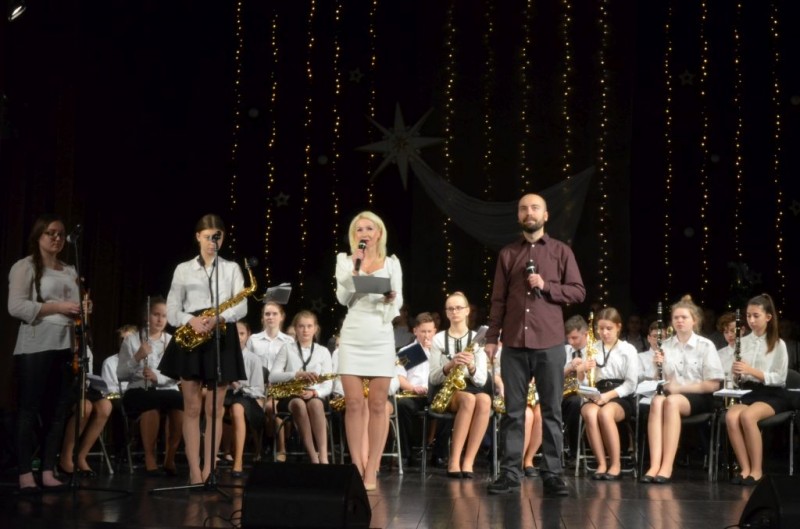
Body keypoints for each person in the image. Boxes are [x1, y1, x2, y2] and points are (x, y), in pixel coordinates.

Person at [485, 193, 586, 496]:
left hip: (549, 344)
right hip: (514, 343)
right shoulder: (508, 253)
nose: (529, 213)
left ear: (546, 215)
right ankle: (510, 474)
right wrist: (491, 338)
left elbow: (578, 291)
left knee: (551, 411)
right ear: (518, 216)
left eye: (535, 208)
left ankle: (553, 474)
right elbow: (498, 300)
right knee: (513, 412)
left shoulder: (560, 251)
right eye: (523, 209)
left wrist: (547, 286)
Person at [158, 214, 248, 486]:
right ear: (198, 236)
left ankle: (210, 468)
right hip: (192, 332)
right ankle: (194, 471)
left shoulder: (231, 268)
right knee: (192, 407)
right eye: (208, 237)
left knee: (215, 409)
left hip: (221, 332)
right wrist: (190, 320)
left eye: (217, 237)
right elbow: (172, 308)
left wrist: (220, 317)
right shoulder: (183, 269)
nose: (212, 242)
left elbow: (242, 305)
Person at [8, 214, 84, 493]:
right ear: (38, 236)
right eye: (50, 233)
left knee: (58, 412)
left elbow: (75, 305)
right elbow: (16, 307)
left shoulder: (70, 269)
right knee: (29, 410)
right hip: (36, 344)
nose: (57, 238)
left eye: (61, 234)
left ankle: (48, 470)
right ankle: (25, 472)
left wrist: (81, 309)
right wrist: (58, 307)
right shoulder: (25, 266)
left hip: (66, 345)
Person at [335, 211, 402, 490]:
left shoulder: (392, 263)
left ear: (379, 233)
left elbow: (398, 303)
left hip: (380, 335)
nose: (364, 233)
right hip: (353, 334)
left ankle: (372, 468)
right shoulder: (344, 260)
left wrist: (389, 299)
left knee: (377, 404)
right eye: (359, 229)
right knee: (353, 403)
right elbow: (342, 298)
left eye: (369, 228)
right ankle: (357, 465)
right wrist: (355, 270)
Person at [642, 295, 724, 483]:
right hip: (672, 394)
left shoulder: (705, 345)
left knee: (671, 401)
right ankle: (654, 465)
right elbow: (659, 379)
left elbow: (713, 384)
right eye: (676, 317)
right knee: (657, 401)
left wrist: (679, 388)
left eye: (684, 317)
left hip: (699, 395)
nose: (679, 321)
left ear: (694, 320)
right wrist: (656, 365)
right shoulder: (665, 345)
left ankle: (667, 465)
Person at [725, 294, 789, 486]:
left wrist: (750, 370)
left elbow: (779, 378)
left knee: (748, 416)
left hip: (772, 394)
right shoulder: (742, 342)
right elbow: (738, 377)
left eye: (756, 316)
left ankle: (757, 470)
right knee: (731, 416)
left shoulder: (778, 344)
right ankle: (745, 468)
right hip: (749, 392)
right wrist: (736, 374)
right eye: (748, 316)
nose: (751, 320)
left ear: (768, 317)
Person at [118, 296, 183, 476]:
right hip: (139, 389)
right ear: (147, 316)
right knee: (150, 401)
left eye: (164, 315)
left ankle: (170, 457)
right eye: (156, 314)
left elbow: (177, 376)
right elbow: (121, 374)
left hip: (166, 389)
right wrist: (137, 357)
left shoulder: (172, 341)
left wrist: (158, 378)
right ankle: (149, 457)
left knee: (181, 401)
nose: (160, 319)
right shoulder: (132, 340)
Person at [429, 293, 491, 479]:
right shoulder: (438, 339)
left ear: (467, 311)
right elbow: (433, 378)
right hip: (447, 389)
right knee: (468, 399)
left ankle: (468, 461)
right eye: (450, 308)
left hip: (471, 385)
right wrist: (450, 365)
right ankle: (454, 461)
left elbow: (481, 380)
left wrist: (471, 366)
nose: (454, 312)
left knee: (485, 400)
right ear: (446, 313)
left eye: (458, 308)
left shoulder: (477, 338)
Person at [580, 307, 639, 480]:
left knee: (605, 413)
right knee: (590, 413)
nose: (604, 333)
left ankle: (615, 464)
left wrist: (608, 396)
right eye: (601, 329)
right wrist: (582, 371)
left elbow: (631, 384)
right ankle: (601, 463)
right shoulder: (591, 348)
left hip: (619, 395)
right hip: (596, 392)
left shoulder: (628, 349)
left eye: (609, 328)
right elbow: (583, 383)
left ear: (618, 327)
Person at [269, 311, 333, 464]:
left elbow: (328, 384)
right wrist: (296, 375)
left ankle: (323, 456)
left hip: (314, 394)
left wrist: (315, 392)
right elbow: (272, 376)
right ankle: (313, 457)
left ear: (315, 329)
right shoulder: (287, 348)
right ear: (295, 328)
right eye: (301, 326)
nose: (305, 330)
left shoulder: (322, 351)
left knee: (316, 404)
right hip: (291, 395)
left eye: (309, 326)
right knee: (299, 404)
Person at [246, 302, 292, 460]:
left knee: (272, 408)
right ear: (262, 317)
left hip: (280, 387)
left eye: (274, 314)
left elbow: (290, 367)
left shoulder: (288, 341)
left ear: (282, 317)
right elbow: (249, 365)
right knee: (256, 409)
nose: (270, 317)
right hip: (258, 387)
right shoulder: (254, 339)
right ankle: (259, 449)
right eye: (267, 314)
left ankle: (281, 448)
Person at [58, 345, 113, 477]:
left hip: (84, 387)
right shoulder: (62, 344)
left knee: (106, 406)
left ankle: (81, 456)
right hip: (65, 387)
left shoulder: (85, 346)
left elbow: (88, 373)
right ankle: (66, 456)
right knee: (85, 407)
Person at [226, 322, 266, 477]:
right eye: (234, 333)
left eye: (241, 333)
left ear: (248, 335)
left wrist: (238, 386)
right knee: (213, 406)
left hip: (246, 396)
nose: (238, 337)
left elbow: (258, 389)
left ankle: (238, 461)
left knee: (237, 409)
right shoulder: (223, 357)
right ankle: (210, 458)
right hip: (225, 395)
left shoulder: (253, 359)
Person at [395, 312, 436, 466]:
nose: (427, 335)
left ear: (435, 331)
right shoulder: (408, 351)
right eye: (423, 331)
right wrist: (413, 388)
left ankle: (440, 454)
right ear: (415, 331)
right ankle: (407, 453)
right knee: (402, 405)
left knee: (451, 405)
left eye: (429, 331)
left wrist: (433, 353)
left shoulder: (440, 350)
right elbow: (400, 378)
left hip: (435, 394)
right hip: (414, 394)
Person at [562, 315, 589, 461]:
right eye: (568, 338)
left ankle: (574, 451)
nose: (571, 342)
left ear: (585, 334)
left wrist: (582, 371)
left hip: (585, 395)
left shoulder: (594, 350)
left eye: (574, 338)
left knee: (576, 403)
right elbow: (552, 375)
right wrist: (569, 367)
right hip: (563, 394)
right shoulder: (564, 350)